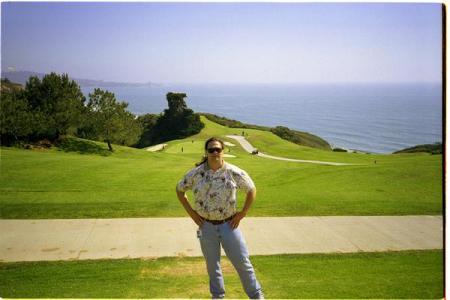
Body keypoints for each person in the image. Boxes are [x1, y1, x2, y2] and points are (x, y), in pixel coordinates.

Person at [176, 137, 264, 299]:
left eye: (218, 149)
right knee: (212, 266)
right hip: (206, 227)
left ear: (223, 151)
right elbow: (179, 189)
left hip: (229, 225)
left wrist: (242, 213)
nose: (215, 152)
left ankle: (256, 296)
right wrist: (193, 214)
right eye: (211, 150)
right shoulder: (196, 173)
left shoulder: (234, 172)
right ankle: (218, 297)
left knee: (243, 263)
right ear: (206, 152)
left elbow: (251, 189)